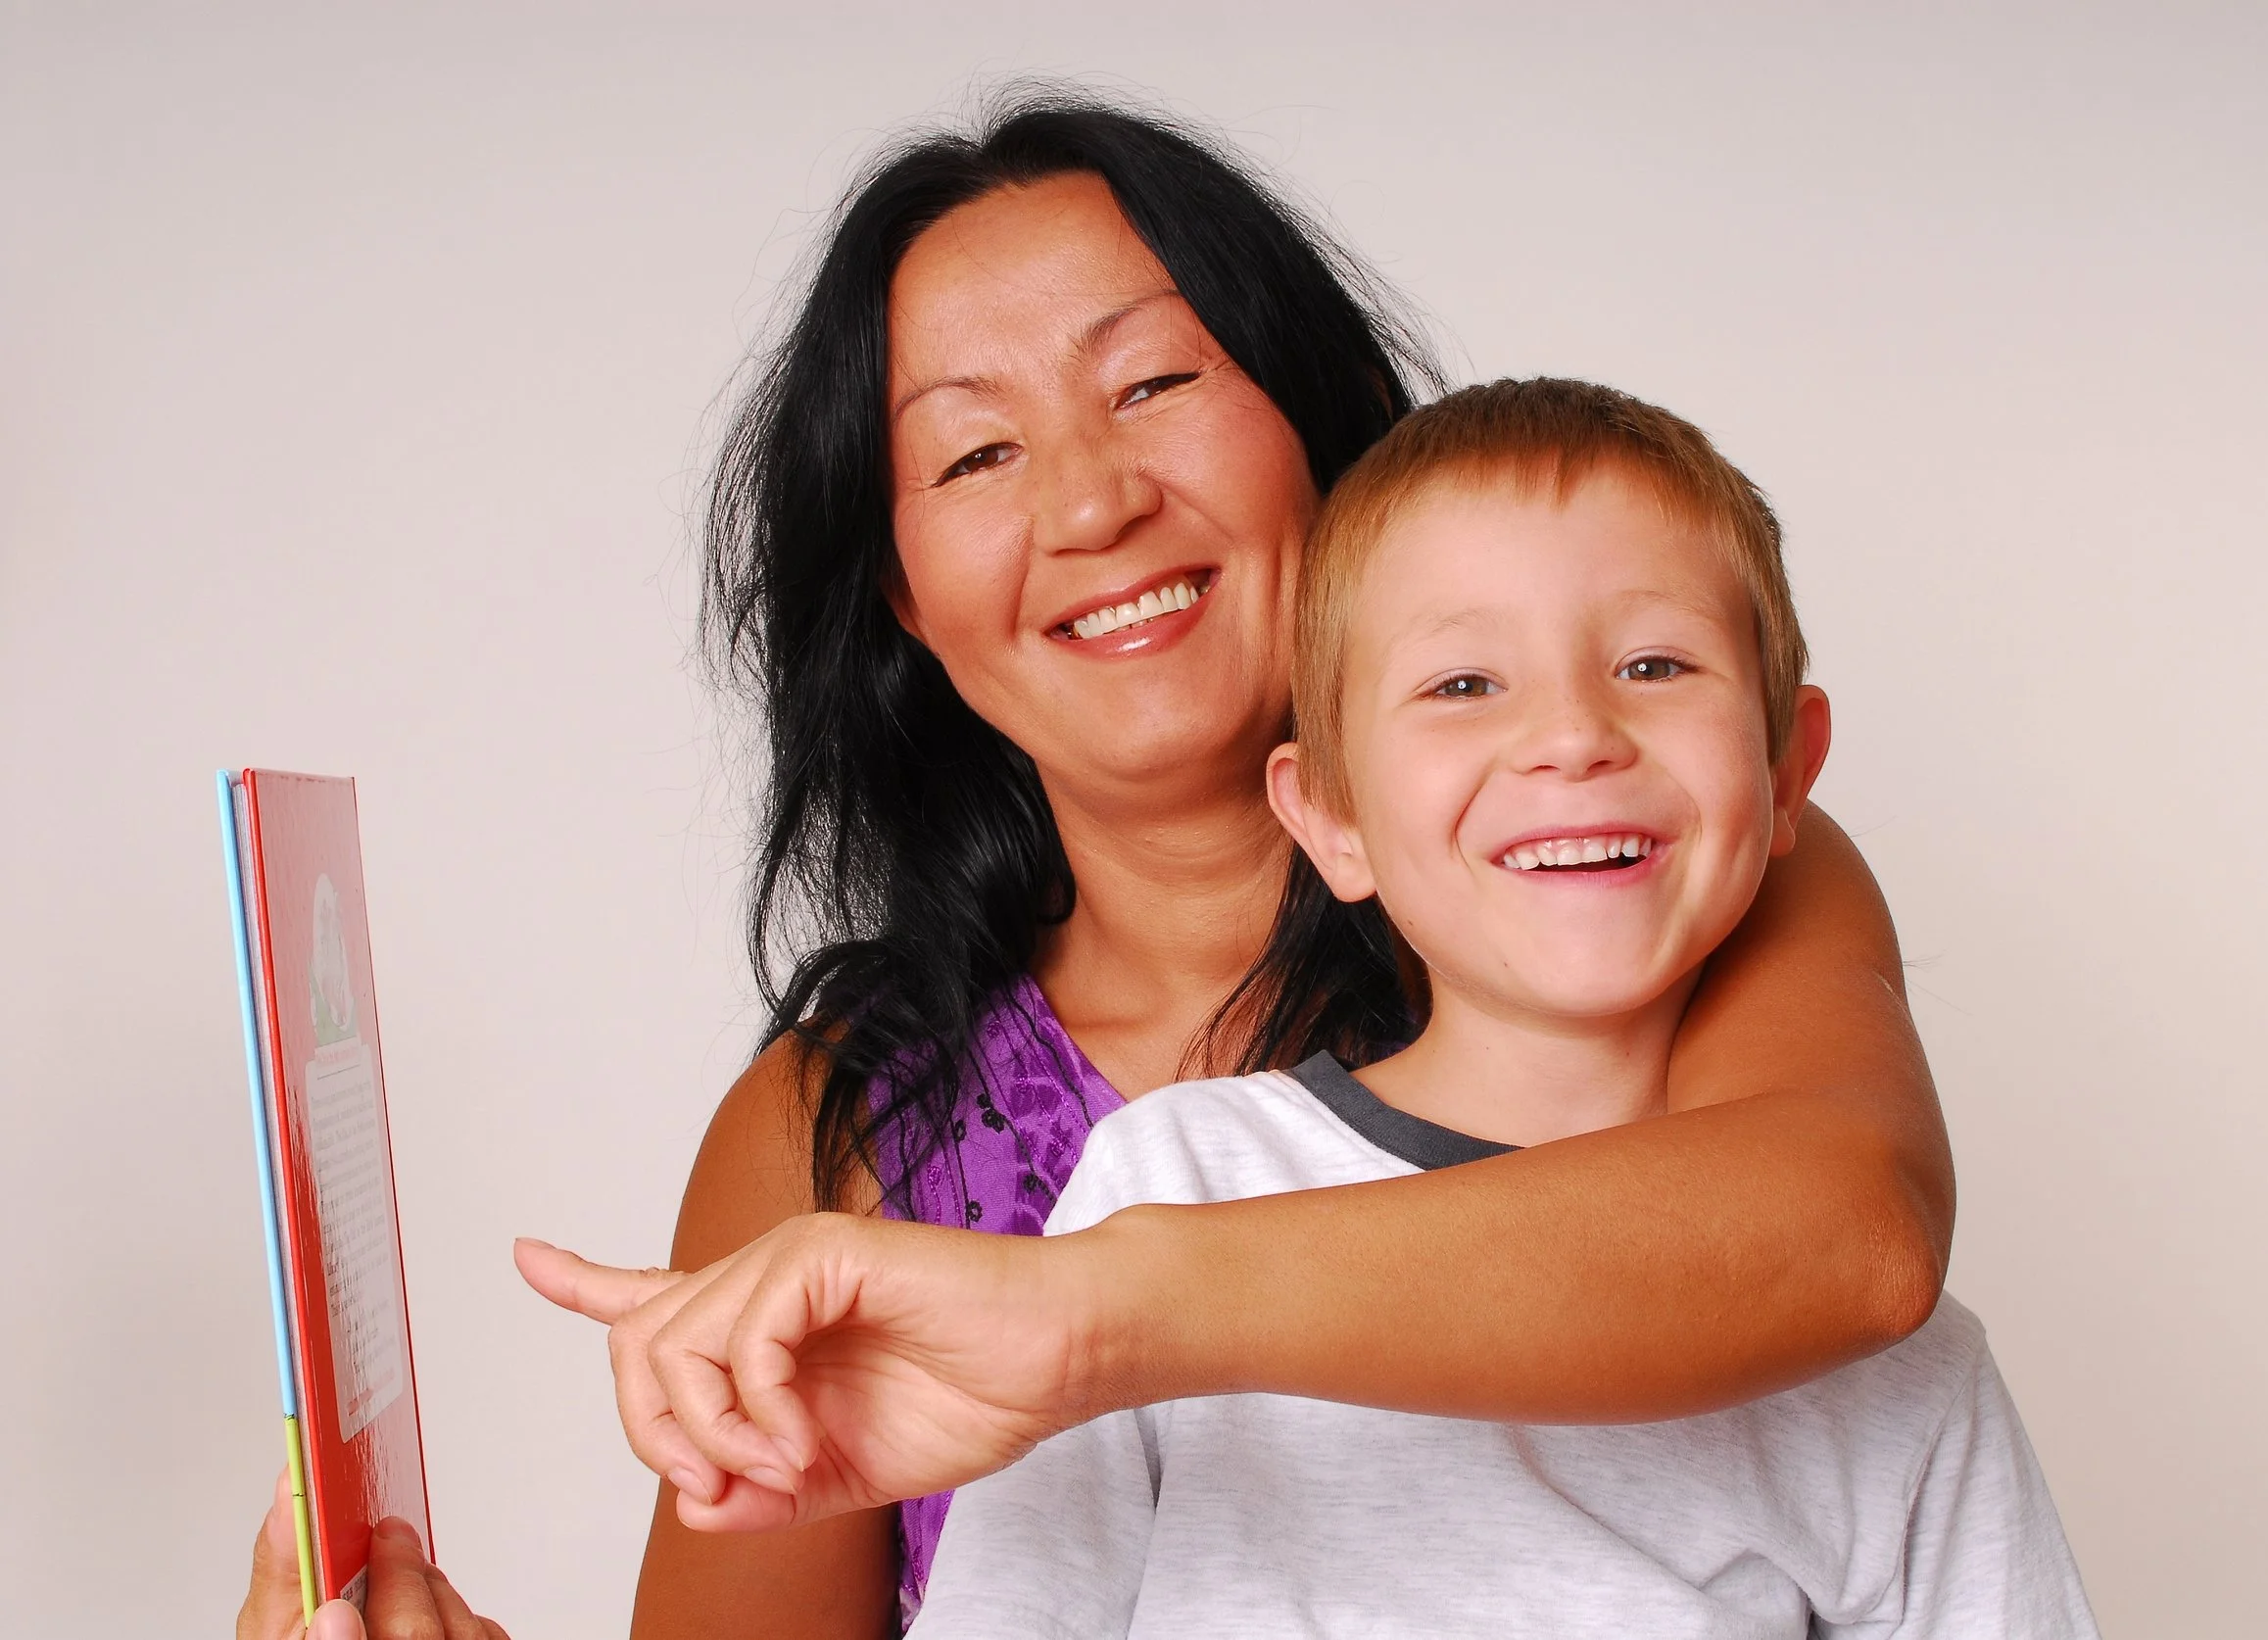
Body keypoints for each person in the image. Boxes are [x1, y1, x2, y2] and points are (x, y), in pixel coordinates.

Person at [239, 90, 1953, 1640]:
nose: (1089, 503)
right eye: (977, 451)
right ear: (903, 592)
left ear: (1324, 427)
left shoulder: (1647, 875)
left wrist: (1083, 1312)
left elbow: (1853, 1241)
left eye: (1156, 382)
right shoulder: (832, 1124)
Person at [893, 377, 2099, 1636]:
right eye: (1465, 684)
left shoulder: (1893, 1362)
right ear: (1332, 817)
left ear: (1786, 768)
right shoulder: (1174, 1180)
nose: (1574, 736)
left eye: (1653, 663)